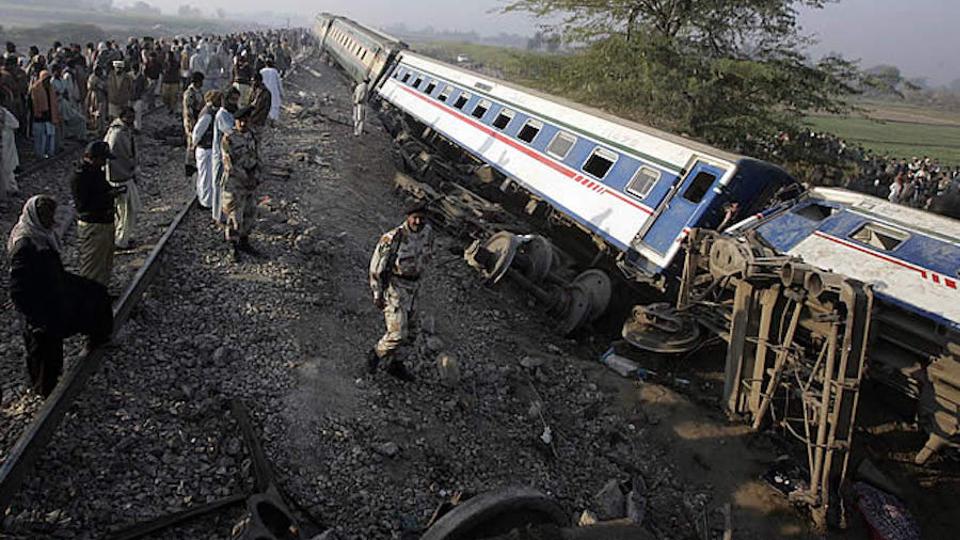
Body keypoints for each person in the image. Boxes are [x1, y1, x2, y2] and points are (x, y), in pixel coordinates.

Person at [7, 195, 113, 396]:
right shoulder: (25, 245)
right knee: (44, 349)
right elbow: (18, 291)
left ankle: (98, 336)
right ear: (37, 217)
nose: (53, 221)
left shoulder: (39, 234)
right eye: (48, 217)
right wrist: (35, 319)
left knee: (95, 294)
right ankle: (45, 391)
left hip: (53, 288)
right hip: (39, 305)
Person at [367, 206, 435, 382]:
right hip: (395, 287)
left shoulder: (428, 233)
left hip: (414, 289)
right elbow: (376, 266)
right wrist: (377, 293)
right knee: (398, 333)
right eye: (415, 217)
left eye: (422, 218)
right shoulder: (393, 238)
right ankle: (375, 354)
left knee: (413, 333)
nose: (418, 222)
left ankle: (395, 364)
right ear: (408, 217)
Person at [71, 141, 121, 287]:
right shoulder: (80, 176)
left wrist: (111, 192)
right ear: (93, 157)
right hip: (93, 224)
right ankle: (89, 299)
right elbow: (83, 205)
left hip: (104, 222)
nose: (104, 162)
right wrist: (108, 195)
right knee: (92, 265)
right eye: (103, 159)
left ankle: (101, 293)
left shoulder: (95, 171)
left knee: (104, 263)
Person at [220, 106, 261, 261]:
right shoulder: (228, 138)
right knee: (234, 216)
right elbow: (229, 164)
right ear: (235, 121)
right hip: (235, 184)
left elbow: (257, 157)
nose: (243, 124)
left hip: (250, 183)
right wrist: (246, 178)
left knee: (249, 213)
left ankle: (245, 242)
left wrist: (257, 177)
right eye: (240, 121)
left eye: (245, 120)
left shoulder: (252, 136)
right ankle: (233, 247)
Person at [104, 107, 141, 249]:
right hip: (120, 177)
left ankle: (122, 238)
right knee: (126, 211)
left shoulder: (124, 131)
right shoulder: (117, 133)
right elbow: (113, 157)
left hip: (124, 175)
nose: (132, 120)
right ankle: (120, 241)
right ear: (122, 117)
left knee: (126, 211)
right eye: (129, 117)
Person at [212, 87, 240, 223]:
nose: (234, 102)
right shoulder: (222, 114)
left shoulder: (232, 112)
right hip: (221, 156)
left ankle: (226, 214)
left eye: (236, 100)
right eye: (232, 99)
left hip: (230, 156)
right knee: (220, 185)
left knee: (228, 188)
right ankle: (218, 216)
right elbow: (231, 132)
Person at [192, 90, 221, 209]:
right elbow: (197, 132)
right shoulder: (208, 114)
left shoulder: (209, 111)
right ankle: (206, 202)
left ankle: (204, 199)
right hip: (205, 149)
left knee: (205, 175)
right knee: (206, 177)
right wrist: (193, 144)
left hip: (206, 149)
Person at [29, 70, 60, 159]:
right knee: (40, 138)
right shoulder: (35, 88)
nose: (48, 81)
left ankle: (50, 153)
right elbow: (33, 103)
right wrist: (39, 112)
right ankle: (40, 154)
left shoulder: (51, 88)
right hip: (40, 117)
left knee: (50, 136)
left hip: (50, 116)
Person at [182, 72, 205, 176]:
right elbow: (189, 110)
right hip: (191, 121)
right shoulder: (189, 93)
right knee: (191, 143)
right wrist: (193, 123)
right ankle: (189, 166)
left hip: (197, 119)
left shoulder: (198, 91)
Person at [1, 102, 19, 199]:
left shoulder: (4, 113)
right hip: (6, 141)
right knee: (7, 167)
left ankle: (10, 188)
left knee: (6, 167)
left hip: (6, 142)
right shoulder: (4, 112)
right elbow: (16, 124)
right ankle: (10, 188)